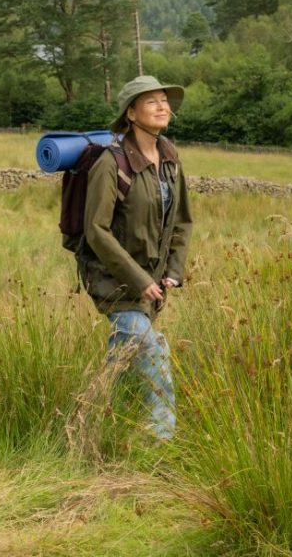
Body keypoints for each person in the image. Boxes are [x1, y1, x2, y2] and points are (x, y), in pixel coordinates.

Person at [77, 75, 192, 440]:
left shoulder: (171, 160)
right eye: (151, 101)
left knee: (125, 362)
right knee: (154, 354)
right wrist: (139, 280)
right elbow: (95, 230)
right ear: (130, 113)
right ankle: (162, 444)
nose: (163, 107)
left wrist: (173, 270)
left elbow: (182, 221)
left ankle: (94, 428)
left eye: (165, 101)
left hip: (153, 283)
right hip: (114, 281)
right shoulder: (111, 164)